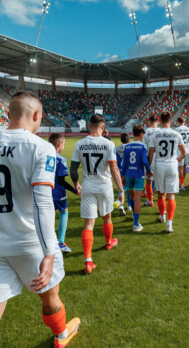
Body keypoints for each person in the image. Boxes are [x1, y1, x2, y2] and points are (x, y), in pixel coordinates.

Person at [0, 91, 79, 348]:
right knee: (50, 299)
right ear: (37, 115)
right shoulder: (41, 147)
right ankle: (60, 336)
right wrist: (50, 251)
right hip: (31, 246)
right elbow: (42, 201)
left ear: (8, 115)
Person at [70, 114, 124, 274]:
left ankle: (88, 260)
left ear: (89, 126)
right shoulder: (108, 144)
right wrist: (121, 190)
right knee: (107, 217)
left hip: (87, 186)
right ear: (102, 127)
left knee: (88, 224)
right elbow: (114, 169)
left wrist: (76, 185)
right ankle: (108, 242)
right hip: (104, 187)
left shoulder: (80, 144)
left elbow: (73, 169)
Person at [148, 111, 186, 233]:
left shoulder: (156, 134)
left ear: (160, 120)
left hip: (159, 165)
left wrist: (149, 168)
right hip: (172, 165)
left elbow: (150, 154)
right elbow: (184, 153)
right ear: (170, 120)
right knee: (171, 195)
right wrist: (178, 159)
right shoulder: (176, 134)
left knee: (160, 193)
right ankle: (169, 223)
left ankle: (162, 216)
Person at [48, 133, 81, 253]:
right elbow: (61, 181)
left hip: (45, 193)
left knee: (48, 216)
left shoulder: (42, 156)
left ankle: (48, 241)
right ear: (58, 144)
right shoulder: (61, 159)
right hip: (58, 193)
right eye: (63, 145)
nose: (63, 148)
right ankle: (61, 242)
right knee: (64, 212)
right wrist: (74, 190)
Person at [122, 124, 153, 232]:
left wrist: (123, 176)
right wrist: (149, 172)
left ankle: (134, 216)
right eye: (143, 134)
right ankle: (135, 223)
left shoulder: (127, 146)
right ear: (140, 134)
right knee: (138, 199)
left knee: (131, 195)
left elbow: (124, 163)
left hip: (129, 174)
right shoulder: (143, 146)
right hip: (139, 175)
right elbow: (145, 161)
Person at [143, 115, 159, 207]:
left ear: (149, 122)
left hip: (150, 159)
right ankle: (162, 203)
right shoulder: (161, 131)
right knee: (161, 182)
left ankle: (150, 201)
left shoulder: (145, 132)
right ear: (158, 122)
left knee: (149, 180)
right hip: (161, 159)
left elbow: (144, 148)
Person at [174, 116, 189, 191]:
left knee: (180, 168)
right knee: (184, 167)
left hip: (180, 150)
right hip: (187, 149)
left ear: (178, 121)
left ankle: (182, 185)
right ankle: (182, 182)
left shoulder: (177, 130)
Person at [116, 133, 131, 215]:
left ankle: (120, 205)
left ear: (121, 140)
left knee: (120, 188)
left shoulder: (116, 149)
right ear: (129, 140)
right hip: (128, 170)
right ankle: (129, 205)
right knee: (129, 188)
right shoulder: (130, 148)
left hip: (119, 171)